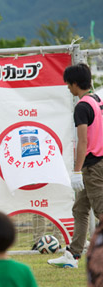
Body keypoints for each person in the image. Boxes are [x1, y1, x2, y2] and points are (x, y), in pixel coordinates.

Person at [49, 63, 103, 269]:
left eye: (68, 85)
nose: (67, 89)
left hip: (92, 165)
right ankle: (73, 254)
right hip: (98, 161)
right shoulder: (97, 100)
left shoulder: (82, 107)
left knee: (100, 211)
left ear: (74, 83)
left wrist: (76, 171)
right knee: (80, 209)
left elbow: (83, 141)